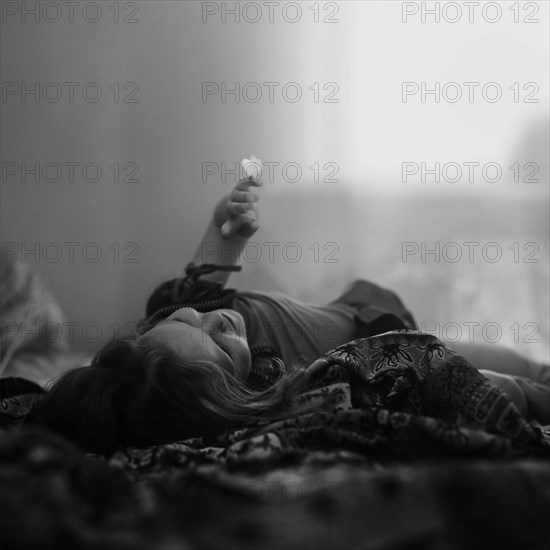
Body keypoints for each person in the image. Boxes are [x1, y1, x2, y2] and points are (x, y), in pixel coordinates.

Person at [26, 163, 550, 453]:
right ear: (231, 390)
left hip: (353, 305)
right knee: (512, 366)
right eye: (218, 343)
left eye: (186, 321)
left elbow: (208, 273)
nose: (213, 319)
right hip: (385, 336)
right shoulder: (283, 385)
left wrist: (226, 226)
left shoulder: (172, 321)